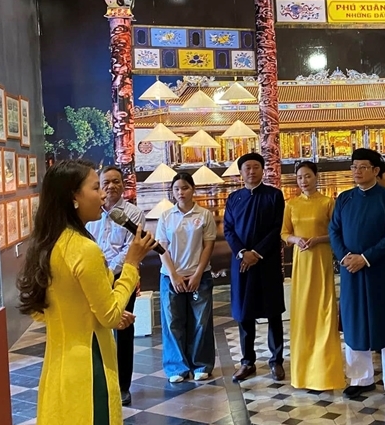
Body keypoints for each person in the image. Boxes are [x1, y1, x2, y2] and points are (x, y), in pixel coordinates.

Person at [17, 160, 156, 425]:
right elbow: (111, 315)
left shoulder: (48, 243)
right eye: (95, 187)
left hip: (57, 367)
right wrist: (131, 264)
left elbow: (43, 311)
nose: (103, 194)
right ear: (74, 197)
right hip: (90, 369)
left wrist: (91, 313)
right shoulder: (85, 249)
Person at [330, 148, 385, 404]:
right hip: (351, 272)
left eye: (362, 167)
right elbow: (334, 231)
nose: (357, 172)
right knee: (353, 324)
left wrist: (366, 258)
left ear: (375, 171)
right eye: (353, 167)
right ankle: (360, 378)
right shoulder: (344, 199)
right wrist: (345, 257)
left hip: (380, 271)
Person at [86, 166, 146, 406]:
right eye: (106, 182)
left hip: (123, 278)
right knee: (95, 330)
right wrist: (98, 272)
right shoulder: (91, 214)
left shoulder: (133, 213)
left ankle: (123, 386)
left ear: (123, 185)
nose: (111, 186)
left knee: (123, 331)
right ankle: (100, 382)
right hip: (93, 279)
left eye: (116, 181)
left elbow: (130, 248)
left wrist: (109, 272)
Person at [224, 152, 286, 382]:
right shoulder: (234, 198)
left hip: (266, 262)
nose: (251, 171)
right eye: (247, 168)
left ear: (262, 170)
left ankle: (276, 360)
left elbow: (276, 228)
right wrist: (243, 253)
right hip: (241, 264)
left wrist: (256, 253)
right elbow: (228, 230)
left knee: (273, 313)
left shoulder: (274, 196)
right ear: (241, 172)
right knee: (244, 313)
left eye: (256, 167)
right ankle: (247, 361)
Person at [282, 162, 344, 391]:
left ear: (316, 177)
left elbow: (336, 232)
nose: (303, 181)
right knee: (304, 314)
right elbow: (284, 232)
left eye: (307, 176)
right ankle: (303, 374)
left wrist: (317, 239)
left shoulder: (328, 203)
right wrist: (295, 240)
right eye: (299, 177)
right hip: (301, 264)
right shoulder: (292, 205)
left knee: (324, 311)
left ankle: (326, 373)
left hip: (320, 261)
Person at [155, 172, 217, 383]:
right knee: (173, 322)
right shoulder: (166, 216)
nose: (181, 193)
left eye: (185, 188)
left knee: (201, 322)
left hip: (199, 275)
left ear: (193, 189)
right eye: (176, 189)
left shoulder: (204, 215)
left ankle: (201, 364)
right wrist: (173, 275)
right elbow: (162, 247)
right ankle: (176, 368)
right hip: (171, 277)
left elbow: (208, 245)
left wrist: (198, 273)